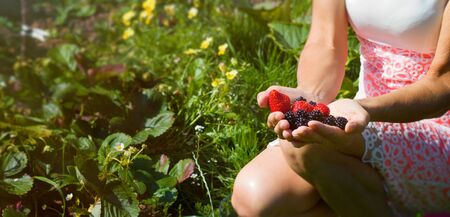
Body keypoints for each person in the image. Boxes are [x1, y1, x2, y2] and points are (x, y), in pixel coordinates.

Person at [231, 0, 450, 216]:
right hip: (362, 115)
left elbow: (443, 85)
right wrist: (310, 96)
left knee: (310, 144)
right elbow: (326, 42)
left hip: (438, 129)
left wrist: (365, 108)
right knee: (254, 198)